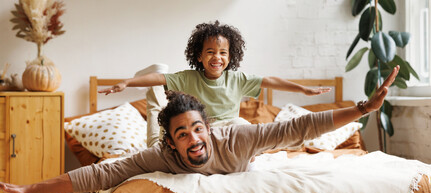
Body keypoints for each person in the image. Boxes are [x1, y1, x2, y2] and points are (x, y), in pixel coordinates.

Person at [0, 66, 401, 193]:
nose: (193, 140)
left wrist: (363, 108)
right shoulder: (162, 157)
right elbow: (102, 174)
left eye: (197, 130)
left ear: (208, 128)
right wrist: (26, 191)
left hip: (241, 141)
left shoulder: (240, 138)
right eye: (182, 135)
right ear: (171, 143)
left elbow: (301, 126)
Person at [98, 20, 331, 147]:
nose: (216, 57)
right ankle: (152, 94)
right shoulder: (189, 78)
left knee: (242, 123)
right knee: (155, 144)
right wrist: (127, 82)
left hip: (223, 130)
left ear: (230, 57)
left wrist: (302, 89)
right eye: (210, 52)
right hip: (196, 129)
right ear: (199, 56)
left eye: (222, 53)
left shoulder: (237, 80)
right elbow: (159, 79)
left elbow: (270, 80)